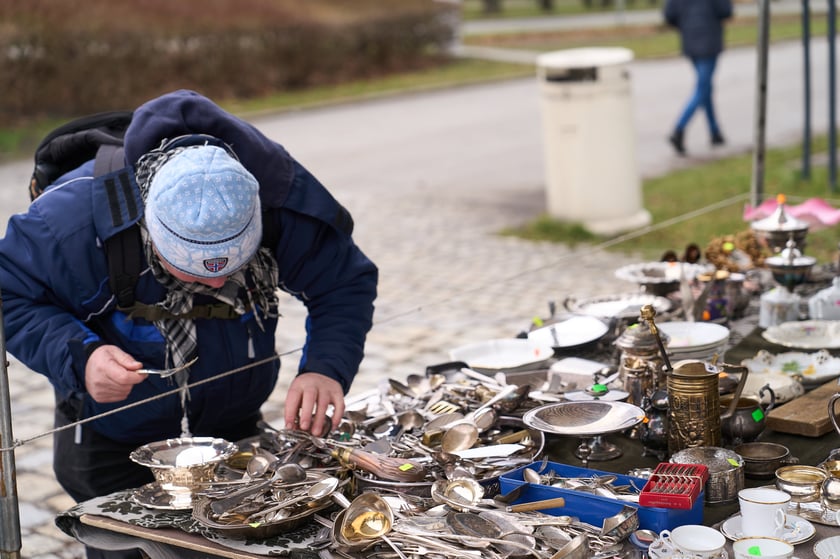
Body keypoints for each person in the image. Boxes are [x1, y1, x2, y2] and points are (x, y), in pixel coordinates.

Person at [0, 90, 378, 558]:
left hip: (232, 438)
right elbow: (10, 294)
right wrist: (80, 356)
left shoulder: (281, 202)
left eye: (230, 270)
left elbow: (344, 283)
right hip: (112, 442)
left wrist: (325, 366)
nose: (214, 284)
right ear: (151, 230)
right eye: (193, 271)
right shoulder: (69, 222)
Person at [664, 0, 733, 156]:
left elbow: (669, 15)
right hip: (709, 41)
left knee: (705, 87)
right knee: (702, 89)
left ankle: (715, 132)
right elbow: (726, 11)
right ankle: (679, 129)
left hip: (690, 40)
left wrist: (686, 24)